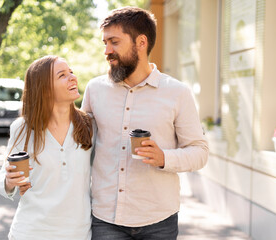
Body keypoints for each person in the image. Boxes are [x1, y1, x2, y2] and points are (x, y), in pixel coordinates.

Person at [81, 6, 209, 240]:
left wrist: (164, 158)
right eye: (104, 43)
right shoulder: (95, 89)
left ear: (141, 42)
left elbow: (200, 152)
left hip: (159, 219)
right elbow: (78, 144)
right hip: (105, 218)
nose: (107, 50)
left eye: (114, 42)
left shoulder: (177, 93)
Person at [0, 55, 93, 240]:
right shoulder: (22, 128)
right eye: (62, 75)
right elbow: (2, 179)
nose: (73, 77)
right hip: (30, 232)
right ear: (45, 89)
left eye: (71, 72)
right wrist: (9, 182)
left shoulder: (89, 125)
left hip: (78, 234)